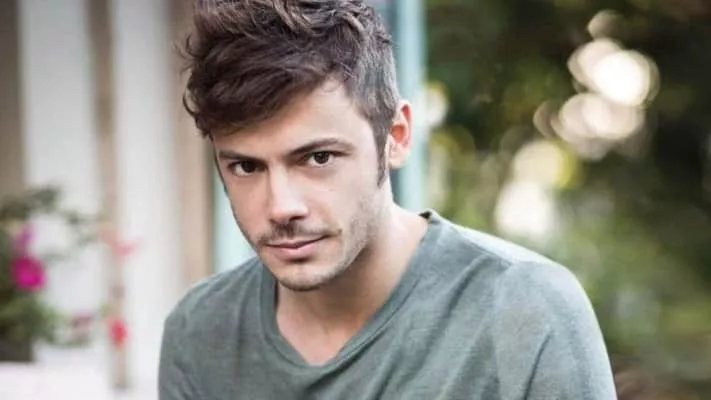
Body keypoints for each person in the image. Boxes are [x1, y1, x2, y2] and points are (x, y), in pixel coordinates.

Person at [159, 0, 617, 398]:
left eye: (318, 158)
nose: (281, 207)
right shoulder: (200, 332)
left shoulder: (523, 308)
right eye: (246, 166)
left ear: (395, 137)